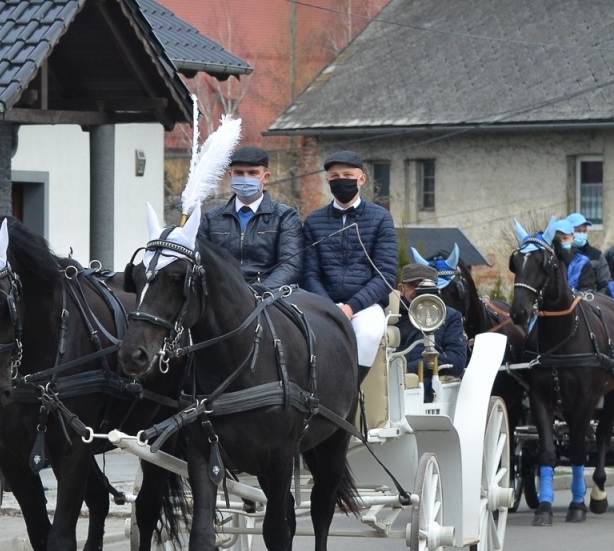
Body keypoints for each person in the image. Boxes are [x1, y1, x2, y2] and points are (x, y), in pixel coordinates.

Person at [300, 150, 399, 380]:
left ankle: (350, 387)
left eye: (347, 174)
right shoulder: (314, 220)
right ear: (327, 181)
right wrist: (329, 306)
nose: (341, 180)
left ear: (361, 179)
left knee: (369, 333)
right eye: (335, 177)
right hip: (324, 302)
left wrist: (351, 307)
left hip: (366, 305)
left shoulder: (381, 218)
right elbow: (310, 273)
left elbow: (385, 274)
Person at [196, 144, 303, 289]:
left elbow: (290, 264)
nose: (245, 178)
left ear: (266, 177)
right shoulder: (211, 219)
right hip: (222, 297)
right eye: (239, 173)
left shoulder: (285, 216)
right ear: (231, 176)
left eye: (253, 173)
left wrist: (258, 292)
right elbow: (200, 261)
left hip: (269, 299)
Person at [395, 264, 467, 376]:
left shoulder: (450, 317)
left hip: (433, 389)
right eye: (413, 286)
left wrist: (410, 369)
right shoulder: (391, 317)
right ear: (401, 289)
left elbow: (456, 362)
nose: (419, 290)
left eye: (426, 286)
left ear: (436, 290)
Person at [557, 213, 613, 296]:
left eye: (584, 231)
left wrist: (594, 301)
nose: (582, 234)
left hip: (590, 303)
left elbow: (605, 284)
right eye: (578, 231)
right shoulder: (559, 255)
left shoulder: (596, 255)